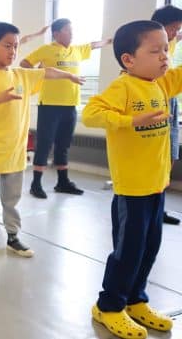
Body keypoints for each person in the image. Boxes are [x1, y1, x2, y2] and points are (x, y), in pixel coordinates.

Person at [82, 20, 181, 339]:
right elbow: (91, 113)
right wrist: (129, 120)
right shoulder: (123, 87)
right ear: (129, 59)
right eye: (156, 50)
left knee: (151, 246)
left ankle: (136, 299)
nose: (165, 56)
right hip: (131, 189)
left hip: (156, 184)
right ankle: (109, 305)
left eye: (166, 49)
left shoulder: (162, 83)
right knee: (129, 250)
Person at [0, 22, 84, 263]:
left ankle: (13, 236)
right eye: (8, 46)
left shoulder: (20, 75)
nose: (13, 51)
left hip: (16, 151)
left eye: (15, 46)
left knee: (12, 199)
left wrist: (69, 75)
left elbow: (47, 72)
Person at [20, 18, 112, 199]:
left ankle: (62, 182)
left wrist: (110, 41)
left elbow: (93, 45)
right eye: (68, 30)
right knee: (45, 144)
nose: (72, 33)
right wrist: (39, 72)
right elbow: (24, 64)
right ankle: (36, 184)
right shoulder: (46, 50)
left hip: (70, 105)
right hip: (49, 106)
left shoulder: (76, 50)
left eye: (72, 30)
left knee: (63, 145)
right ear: (56, 33)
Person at [152, 4, 182, 226]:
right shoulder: (148, 46)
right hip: (155, 98)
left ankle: (158, 208)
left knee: (171, 155)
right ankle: (151, 207)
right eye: (173, 28)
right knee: (156, 157)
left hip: (171, 100)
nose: (175, 33)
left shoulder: (169, 42)